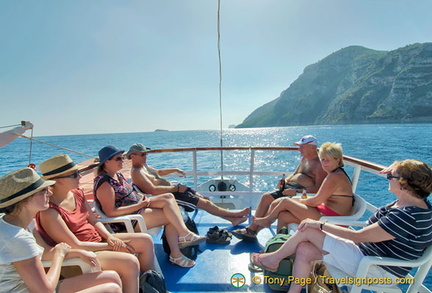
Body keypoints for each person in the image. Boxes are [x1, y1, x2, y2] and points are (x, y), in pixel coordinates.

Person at [250, 159, 432, 293]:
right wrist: (397, 167)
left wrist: (320, 225)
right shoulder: (414, 203)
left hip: (376, 268)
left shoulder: (407, 216)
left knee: (310, 229)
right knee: (305, 249)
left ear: (404, 184)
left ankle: (273, 259)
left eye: (392, 176)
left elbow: (359, 236)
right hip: (367, 255)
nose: (388, 177)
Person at [36, 154, 154, 293]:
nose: (79, 176)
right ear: (58, 181)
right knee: (130, 262)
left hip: (98, 241)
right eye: (74, 174)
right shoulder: (50, 212)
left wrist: (110, 237)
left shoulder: (77, 193)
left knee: (145, 240)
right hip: (83, 253)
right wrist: (110, 246)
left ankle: (151, 284)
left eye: (79, 172)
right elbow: (75, 245)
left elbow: (93, 220)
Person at [0, 167, 122, 293]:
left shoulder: (23, 223)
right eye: (43, 191)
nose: (50, 193)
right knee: (112, 289)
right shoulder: (18, 238)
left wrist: (78, 253)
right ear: (25, 200)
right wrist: (59, 255)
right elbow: (45, 290)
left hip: (29, 287)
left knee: (111, 277)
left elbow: (46, 253)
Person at [94, 145, 206, 268]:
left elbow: (129, 193)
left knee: (168, 197)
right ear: (107, 162)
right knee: (171, 216)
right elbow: (111, 212)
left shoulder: (117, 175)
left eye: (122, 158)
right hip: (129, 218)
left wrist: (140, 197)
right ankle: (177, 252)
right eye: (118, 159)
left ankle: (184, 235)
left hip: (138, 206)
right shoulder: (105, 183)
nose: (122, 161)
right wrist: (139, 205)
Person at [127, 143, 250, 226]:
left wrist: (174, 169)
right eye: (142, 154)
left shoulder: (144, 166)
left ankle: (232, 219)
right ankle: (235, 214)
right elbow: (153, 190)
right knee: (205, 203)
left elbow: (158, 172)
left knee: (204, 198)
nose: (145, 156)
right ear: (133, 156)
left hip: (176, 190)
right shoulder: (137, 172)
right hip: (171, 196)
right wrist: (178, 188)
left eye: (146, 154)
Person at [232, 135, 327, 240]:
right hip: (290, 188)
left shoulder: (319, 165)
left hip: (299, 194)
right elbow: (295, 173)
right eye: (299, 146)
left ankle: (252, 229)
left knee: (273, 203)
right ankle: (253, 229)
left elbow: (318, 188)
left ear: (312, 147)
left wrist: (296, 191)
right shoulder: (304, 159)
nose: (299, 149)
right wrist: (286, 180)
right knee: (265, 197)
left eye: (302, 147)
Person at [252, 142, 353, 231]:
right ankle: (279, 244)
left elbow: (316, 201)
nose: (324, 163)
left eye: (328, 160)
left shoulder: (335, 177)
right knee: (283, 216)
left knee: (285, 202)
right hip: (326, 212)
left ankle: (267, 221)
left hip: (333, 219)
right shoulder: (334, 173)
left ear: (337, 160)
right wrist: (298, 200)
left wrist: (299, 201)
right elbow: (318, 200)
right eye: (322, 159)